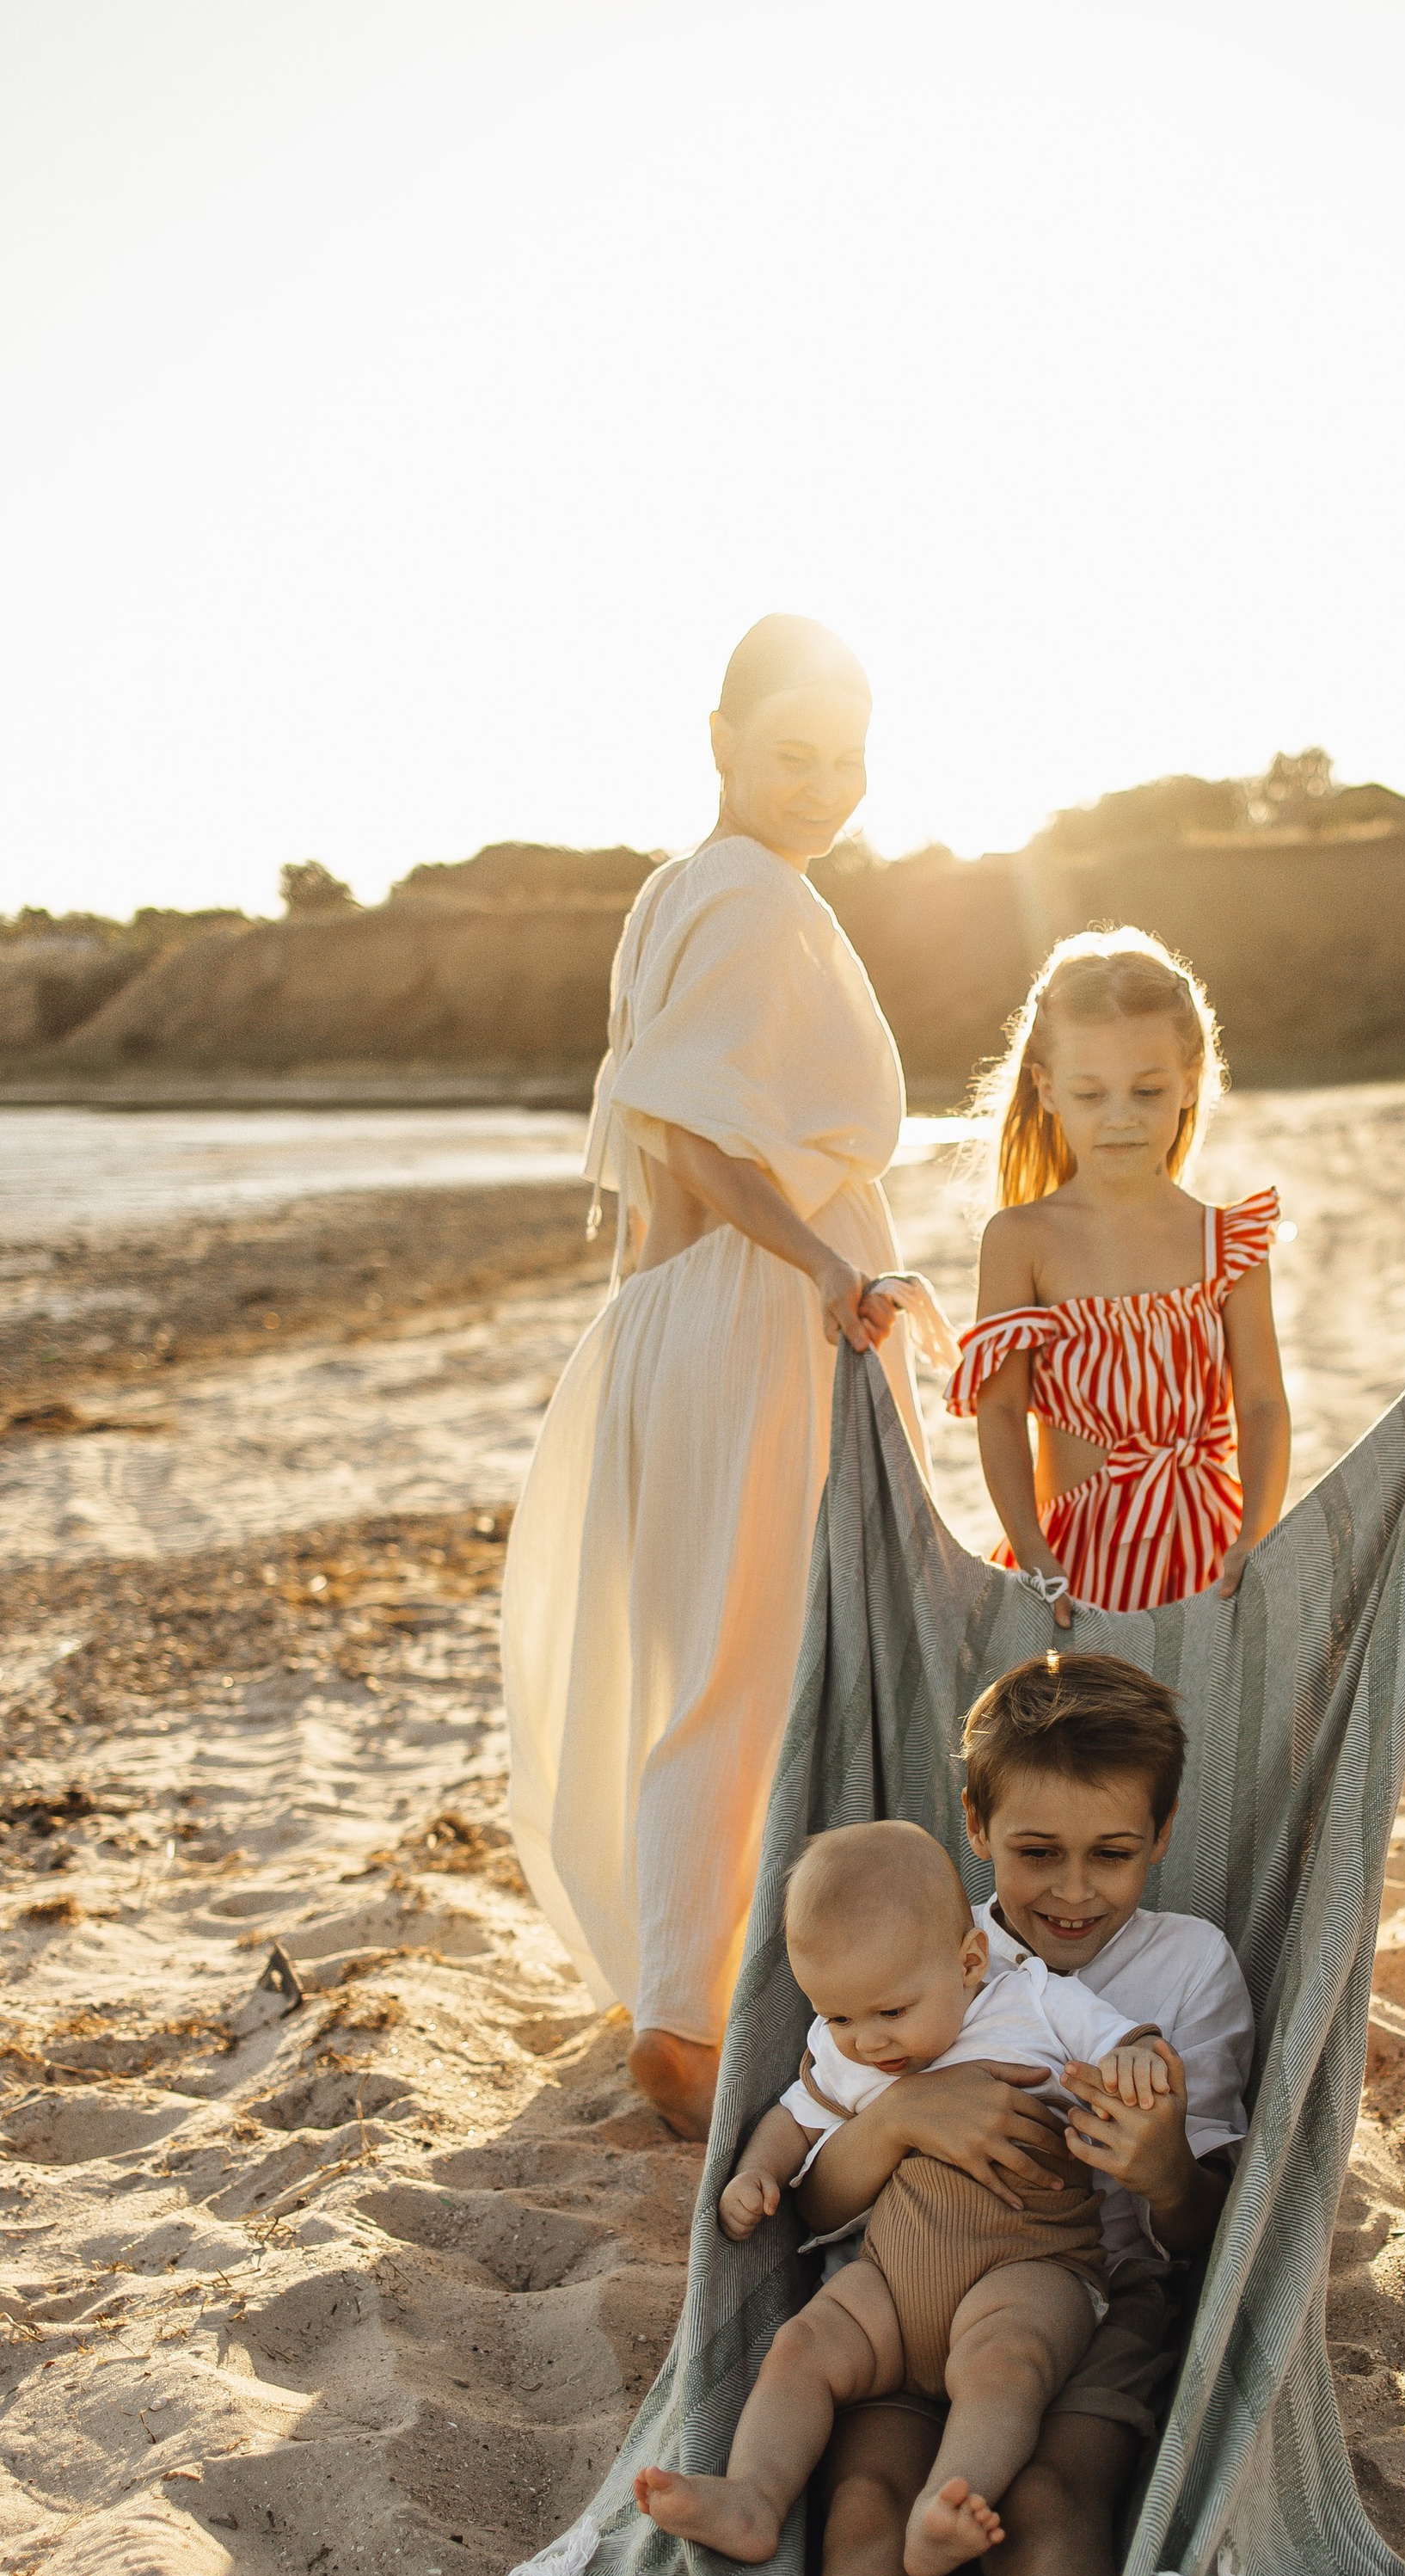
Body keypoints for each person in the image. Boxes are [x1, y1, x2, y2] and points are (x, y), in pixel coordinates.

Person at [651, 1651, 1256, 2576]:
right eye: (1035, 1853)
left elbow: (1211, 2227)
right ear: (973, 1829)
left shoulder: (1187, 1969)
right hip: (899, 2281)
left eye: (1112, 1854)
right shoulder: (908, 1945)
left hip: (1092, 2306)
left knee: (1044, 2493)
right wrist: (899, 2118)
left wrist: (1154, 2170)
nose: (1073, 1892)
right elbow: (812, 2199)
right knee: (867, 2504)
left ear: (1162, 1838)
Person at [500, 615, 929, 2143]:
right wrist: (819, 1263)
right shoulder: (751, 901)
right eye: (792, 753)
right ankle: (683, 2028)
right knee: (744, 1667)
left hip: (683, 1319)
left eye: (849, 759)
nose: (825, 787)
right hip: (748, 1314)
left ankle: (698, 1982)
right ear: (722, 741)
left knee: (717, 1660)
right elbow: (689, 1131)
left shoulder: (691, 889)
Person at [630, 1819, 1172, 2576]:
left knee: (1006, 2367)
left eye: (890, 2012)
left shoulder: (1037, 2002)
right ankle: (754, 2497)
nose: (867, 2042)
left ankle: (949, 2505)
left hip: (1031, 2268)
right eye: (838, 2016)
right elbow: (796, 2115)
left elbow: (1124, 2039)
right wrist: (757, 2171)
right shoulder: (849, 2051)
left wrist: (1141, 2060)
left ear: (969, 1962)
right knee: (800, 2348)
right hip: (889, 2282)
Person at [947, 929, 1289, 1620]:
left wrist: (1256, 1534)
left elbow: (1261, 1404)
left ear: (1190, 1080)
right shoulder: (1021, 1240)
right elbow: (1002, 1412)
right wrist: (1031, 1554)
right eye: (1091, 1095)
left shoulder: (1227, 1243)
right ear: (1046, 1090)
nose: (1121, 1118)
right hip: (1072, 1568)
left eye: (1147, 1090)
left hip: (1207, 1561)